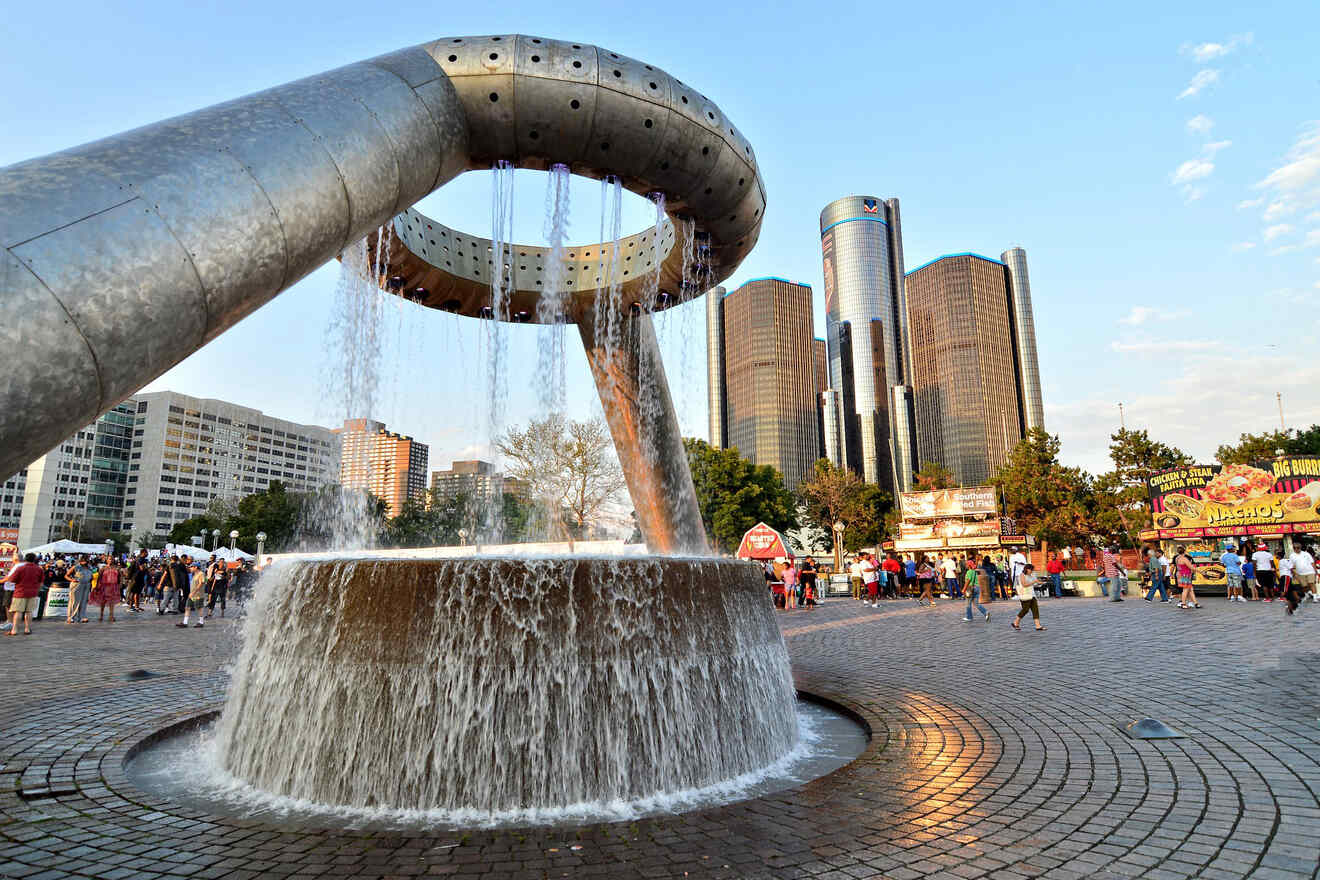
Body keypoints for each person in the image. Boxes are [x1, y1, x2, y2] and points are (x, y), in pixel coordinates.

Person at [3, 553, 43, 636]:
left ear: (25, 559)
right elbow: (41, 582)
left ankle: (14, 630)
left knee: (18, 612)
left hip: (20, 592)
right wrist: (36, 590)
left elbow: (11, 579)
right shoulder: (39, 569)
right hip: (33, 592)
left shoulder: (21, 568)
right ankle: (27, 629)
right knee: (29, 611)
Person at [1011, 563, 1045, 631]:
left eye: (1032, 570)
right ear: (1027, 569)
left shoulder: (1032, 575)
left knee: (1035, 610)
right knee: (1025, 610)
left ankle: (1038, 625)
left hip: (1032, 595)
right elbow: (1024, 584)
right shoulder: (1022, 575)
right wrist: (1033, 582)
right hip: (1025, 595)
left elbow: (1035, 582)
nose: (1032, 571)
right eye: (1031, 570)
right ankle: (1016, 622)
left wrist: (1041, 583)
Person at [1284, 543, 1316, 615]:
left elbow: (1312, 562)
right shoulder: (1292, 555)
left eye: (1298, 548)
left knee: (1311, 583)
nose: (1297, 549)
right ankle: (1307, 594)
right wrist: (1294, 573)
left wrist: (1315, 571)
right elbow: (1291, 565)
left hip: (1310, 571)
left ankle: (1315, 597)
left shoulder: (1306, 554)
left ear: (1300, 548)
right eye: (1295, 548)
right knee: (1304, 586)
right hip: (1300, 573)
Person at [66, 554, 96, 624]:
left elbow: (92, 576)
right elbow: (66, 575)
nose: (85, 562)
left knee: (84, 601)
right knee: (74, 601)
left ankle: (82, 616)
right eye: (84, 561)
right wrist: (72, 580)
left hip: (87, 585)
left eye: (86, 560)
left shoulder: (90, 567)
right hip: (77, 584)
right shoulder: (76, 567)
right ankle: (71, 617)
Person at [178, 563, 207, 628]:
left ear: (196, 567)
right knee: (187, 607)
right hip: (192, 595)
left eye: (191, 567)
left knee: (199, 608)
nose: (190, 568)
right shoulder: (194, 574)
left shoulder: (201, 574)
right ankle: (185, 622)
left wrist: (194, 592)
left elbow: (201, 584)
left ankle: (201, 622)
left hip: (198, 595)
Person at [94, 556, 122, 623]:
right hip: (104, 586)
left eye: (112, 559)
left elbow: (119, 577)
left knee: (112, 602)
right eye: (109, 559)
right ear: (107, 560)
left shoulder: (116, 568)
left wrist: (119, 585)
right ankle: (101, 615)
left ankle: (111, 615)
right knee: (103, 602)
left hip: (113, 586)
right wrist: (97, 586)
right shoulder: (103, 568)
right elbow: (99, 578)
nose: (111, 560)